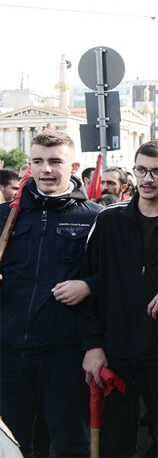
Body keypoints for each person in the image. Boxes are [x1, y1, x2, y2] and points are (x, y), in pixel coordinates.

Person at [80, 141, 158, 456]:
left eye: (157, 171)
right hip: (115, 354)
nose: (148, 178)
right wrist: (92, 346)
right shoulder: (108, 220)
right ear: (133, 172)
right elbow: (91, 286)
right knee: (116, 443)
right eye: (142, 170)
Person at [0, 131, 101, 457]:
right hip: (7, 353)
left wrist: (90, 285)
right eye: (38, 161)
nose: (46, 169)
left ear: (73, 165)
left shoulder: (94, 217)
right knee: (14, 446)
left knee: (70, 444)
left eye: (55, 161)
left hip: (63, 355)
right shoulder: (5, 217)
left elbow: (116, 277)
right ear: (29, 164)